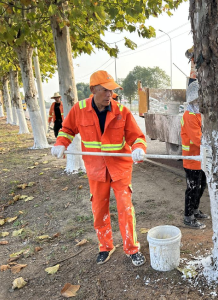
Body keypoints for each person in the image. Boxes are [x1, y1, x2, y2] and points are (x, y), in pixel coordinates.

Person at [51, 70, 147, 266]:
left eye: (111, 91)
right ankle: (106, 247)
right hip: (95, 170)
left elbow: (136, 137)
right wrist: (61, 143)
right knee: (99, 209)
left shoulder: (122, 111)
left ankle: (132, 248)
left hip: (120, 169)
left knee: (125, 209)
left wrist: (138, 148)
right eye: (104, 90)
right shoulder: (79, 110)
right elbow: (67, 130)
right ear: (93, 89)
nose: (109, 95)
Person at [180, 80, 209, 229]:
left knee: (201, 185)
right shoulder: (190, 116)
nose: (201, 102)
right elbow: (197, 138)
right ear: (193, 100)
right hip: (192, 158)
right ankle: (188, 217)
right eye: (199, 99)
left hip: (200, 158)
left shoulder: (199, 114)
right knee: (192, 187)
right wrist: (212, 145)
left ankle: (195, 210)